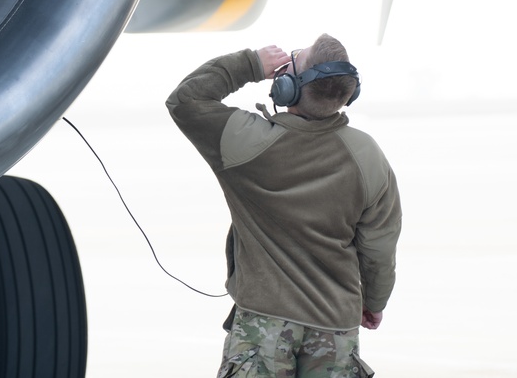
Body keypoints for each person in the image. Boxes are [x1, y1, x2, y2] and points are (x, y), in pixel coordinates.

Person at [166, 34, 401, 378]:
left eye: (292, 62)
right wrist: (375, 303)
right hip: (335, 326)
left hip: (264, 325)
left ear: (288, 87)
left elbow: (186, 100)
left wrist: (252, 64)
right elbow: (380, 247)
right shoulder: (368, 156)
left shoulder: (248, 145)